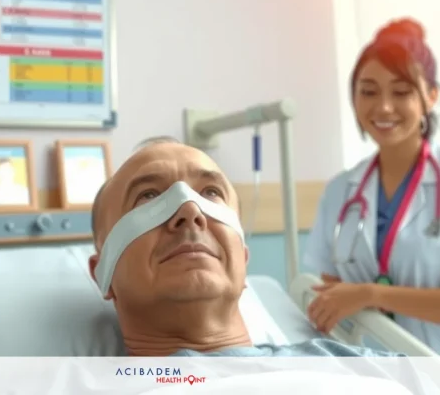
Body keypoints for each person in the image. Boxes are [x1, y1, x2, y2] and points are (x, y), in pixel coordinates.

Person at [302, 18, 440, 357]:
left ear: (431, 96)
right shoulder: (339, 192)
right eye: (368, 91)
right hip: (376, 371)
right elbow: (332, 299)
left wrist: (372, 294)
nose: (383, 107)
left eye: (401, 92)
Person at [87, 137, 398, 359]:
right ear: (103, 274)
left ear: (243, 259)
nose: (190, 211)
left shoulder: (361, 366)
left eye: (211, 192)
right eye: (148, 196)